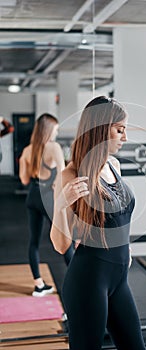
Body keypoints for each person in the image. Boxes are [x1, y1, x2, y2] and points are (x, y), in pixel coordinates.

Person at [50, 96, 146, 350]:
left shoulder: (114, 166)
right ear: (101, 129)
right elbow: (61, 246)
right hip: (88, 281)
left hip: (119, 279)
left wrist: (126, 248)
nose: (124, 137)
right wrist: (60, 204)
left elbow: (119, 217)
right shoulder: (70, 175)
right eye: (119, 129)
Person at [19, 113, 74, 297]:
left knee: (33, 242)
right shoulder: (54, 147)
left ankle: (38, 285)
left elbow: (25, 180)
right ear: (49, 129)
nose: (56, 134)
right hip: (49, 197)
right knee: (65, 240)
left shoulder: (28, 150)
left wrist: (23, 163)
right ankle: (79, 281)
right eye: (56, 130)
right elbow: (61, 175)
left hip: (33, 196)